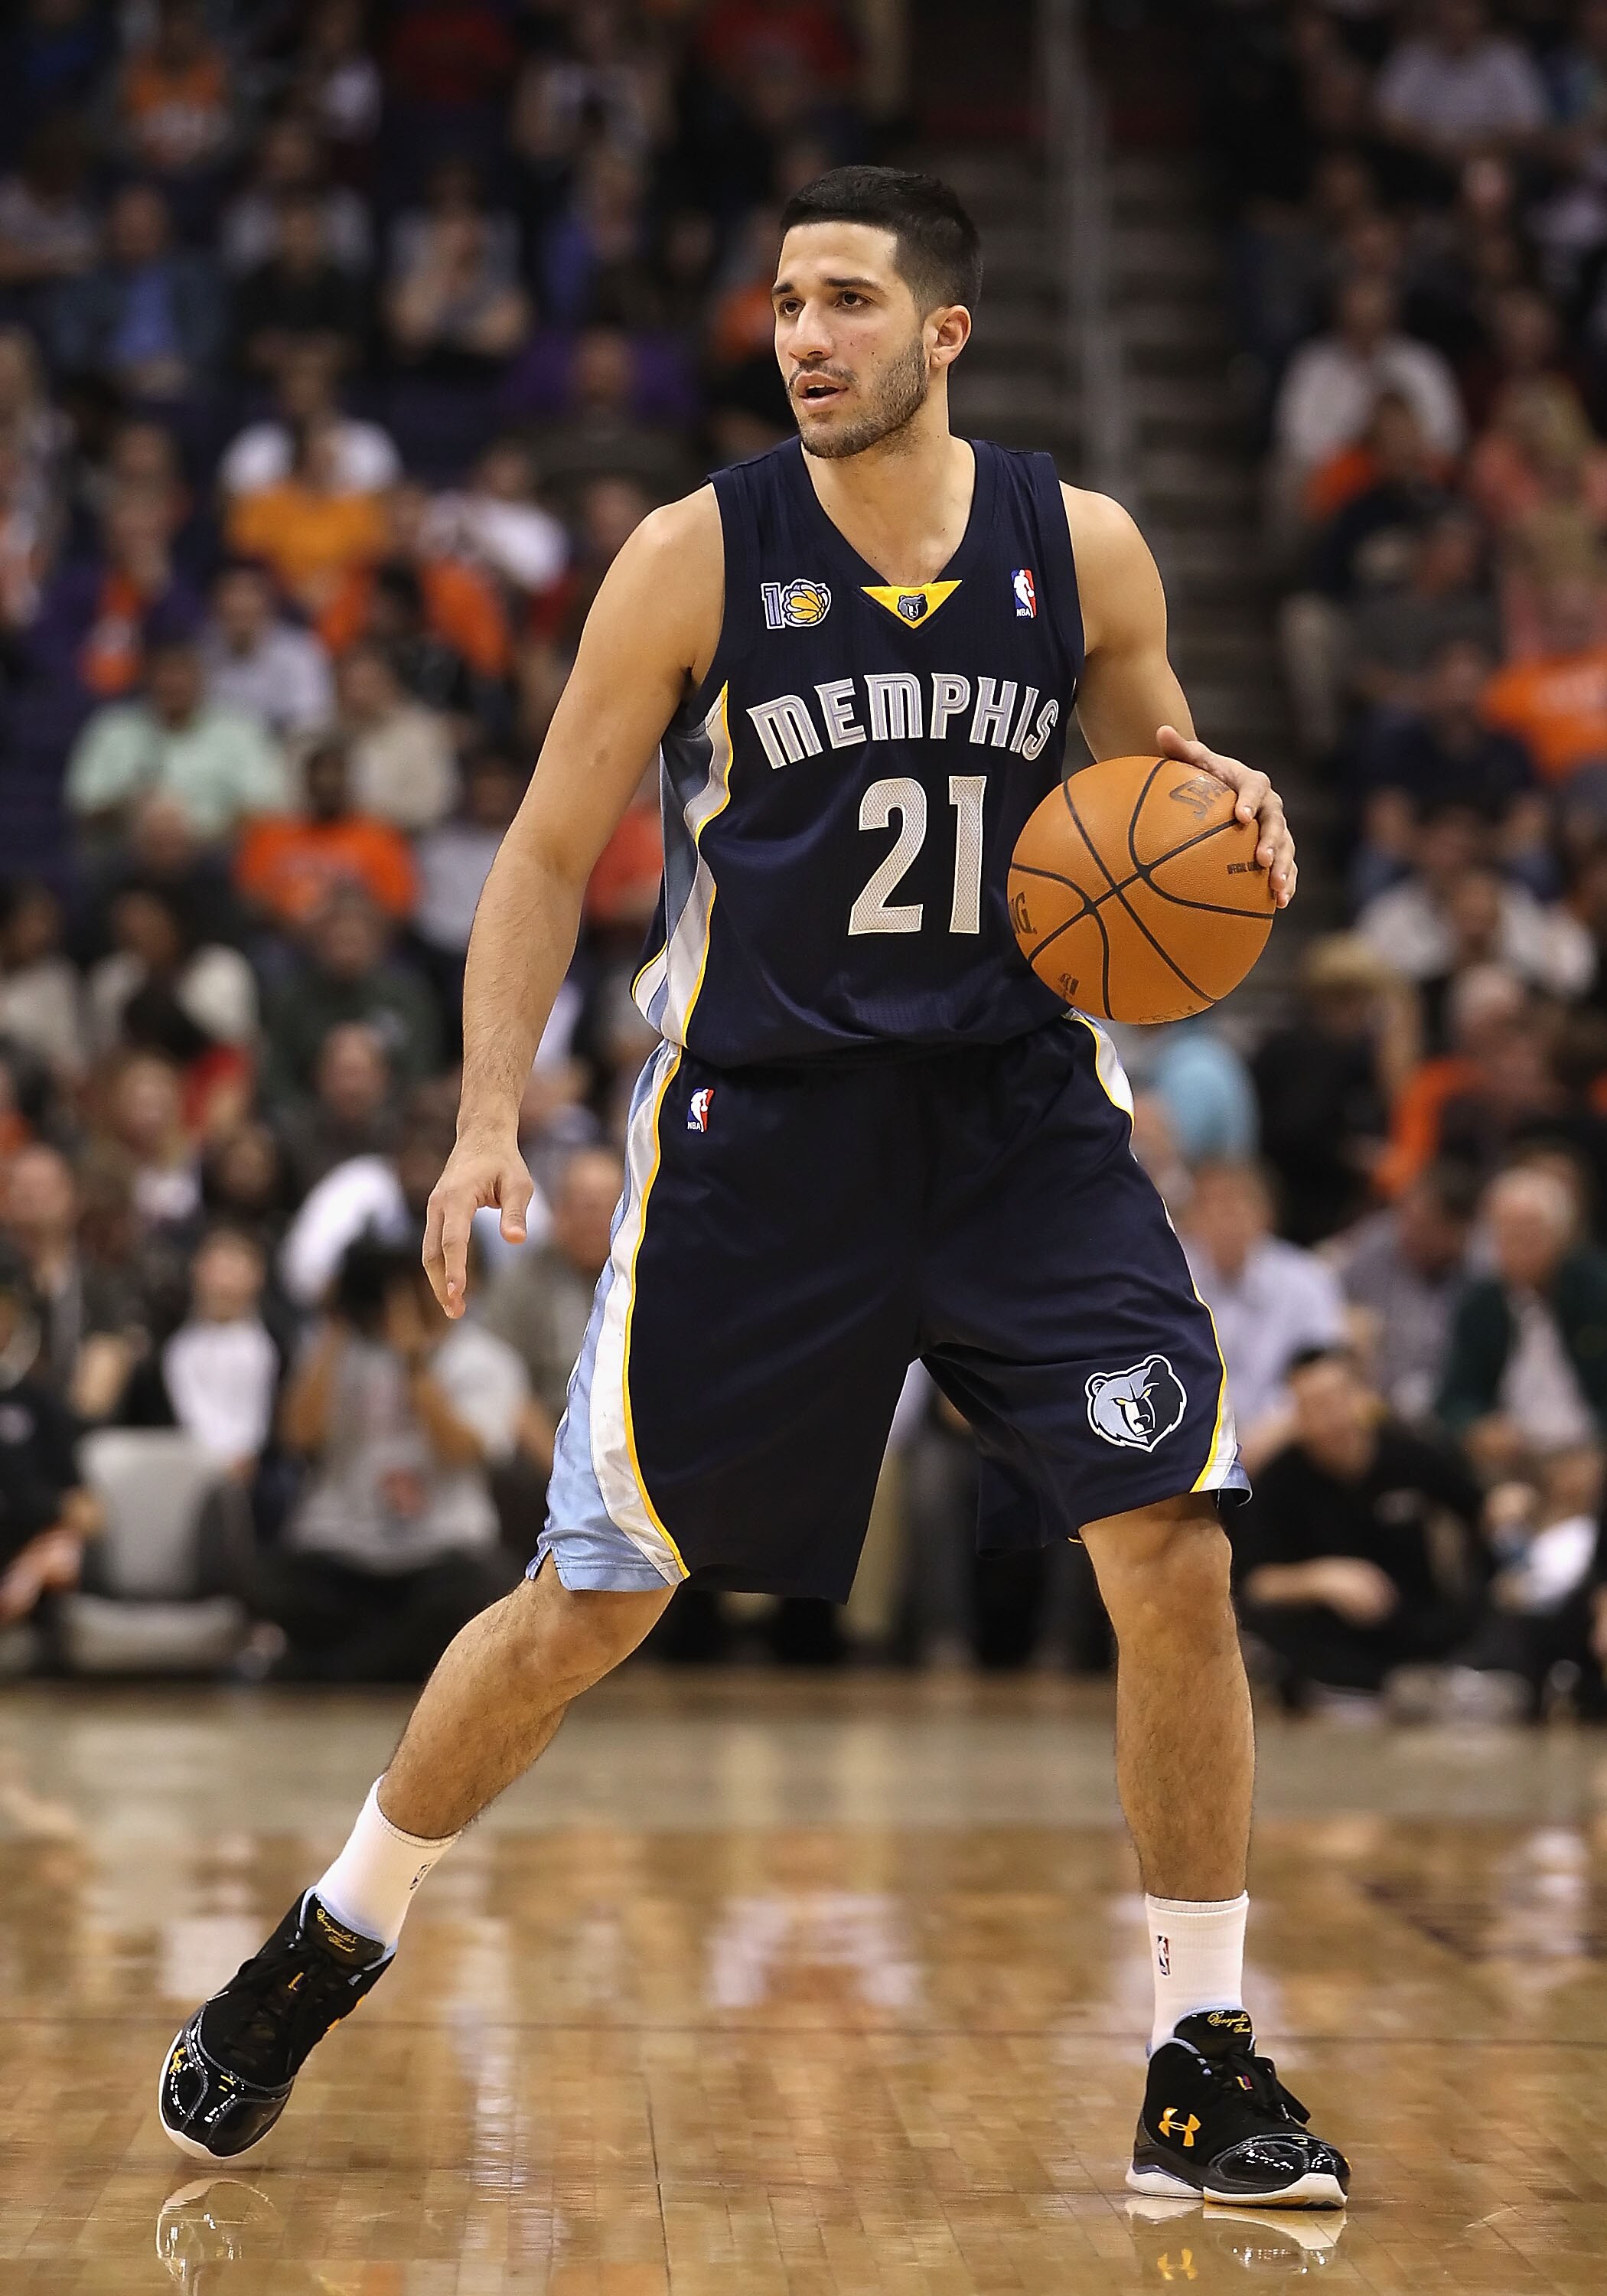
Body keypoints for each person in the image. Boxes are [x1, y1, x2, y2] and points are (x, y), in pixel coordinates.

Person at [159, 165, 1347, 2210]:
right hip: (765, 1137)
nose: (804, 335)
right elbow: (546, 850)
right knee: (592, 1601)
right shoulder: (694, 554)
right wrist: (485, 1114)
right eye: (788, 300)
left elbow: (1161, 787)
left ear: (944, 332)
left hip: (1018, 1123)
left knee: (1172, 1544)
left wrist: (1228, 806)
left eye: (847, 301)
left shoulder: (1083, 547)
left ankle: (1200, 2057)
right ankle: (333, 1929)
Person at [249, 1239, 523, 1683]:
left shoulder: (486, 1360)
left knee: (483, 1591)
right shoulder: (337, 1351)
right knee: (269, 1582)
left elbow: (460, 1449)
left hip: (441, 1552)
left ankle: (340, 1668)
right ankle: (392, 1664)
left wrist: (413, 1356)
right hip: (341, 1549)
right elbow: (298, 1438)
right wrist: (336, 1323)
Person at [1232, 1348, 1488, 1703]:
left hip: (1417, 1622)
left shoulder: (1411, 1454)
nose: (1328, 1418)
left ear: (1361, 1397)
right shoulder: (1279, 1480)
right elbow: (1256, 1585)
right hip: (1330, 1637)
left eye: (1334, 1400)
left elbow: (1479, 1508)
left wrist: (1506, 1509)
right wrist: (1322, 1578)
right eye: (1311, 1406)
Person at [1183, 1161, 1348, 1458]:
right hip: (1193, 1444)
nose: (1224, 1219)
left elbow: (1324, 1374)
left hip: (1285, 1445)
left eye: (1236, 1205)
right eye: (1211, 1206)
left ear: (1265, 1213)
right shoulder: (1172, 1280)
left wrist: (1256, 1449)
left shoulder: (1307, 1279)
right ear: (1192, 1218)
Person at [64, 638, 289, 846]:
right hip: (130, 852)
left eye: (183, 672)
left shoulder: (241, 730)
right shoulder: (113, 729)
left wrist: (201, 842)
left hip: (216, 850)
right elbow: (85, 807)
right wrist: (128, 809)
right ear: (146, 678)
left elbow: (263, 807)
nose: (173, 683)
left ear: (203, 678)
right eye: (164, 672)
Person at [199, 562, 334, 740]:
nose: (240, 604)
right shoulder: (200, 654)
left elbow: (312, 722)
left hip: (287, 748)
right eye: (232, 594)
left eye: (249, 593)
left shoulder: (301, 651)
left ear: (268, 601)